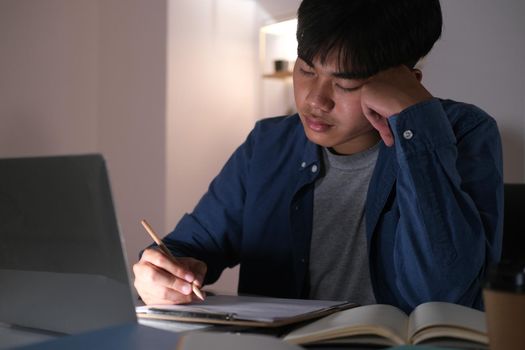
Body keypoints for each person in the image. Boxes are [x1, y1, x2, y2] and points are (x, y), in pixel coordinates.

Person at [133, 0, 503, 313]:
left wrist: (416, 125)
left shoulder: (464, 132)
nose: (315, 100)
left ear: (407, 82)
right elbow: (190, 246)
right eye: (307, 70)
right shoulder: (269, 144)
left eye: (345, 85)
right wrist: (160, 272)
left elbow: (443, 296)